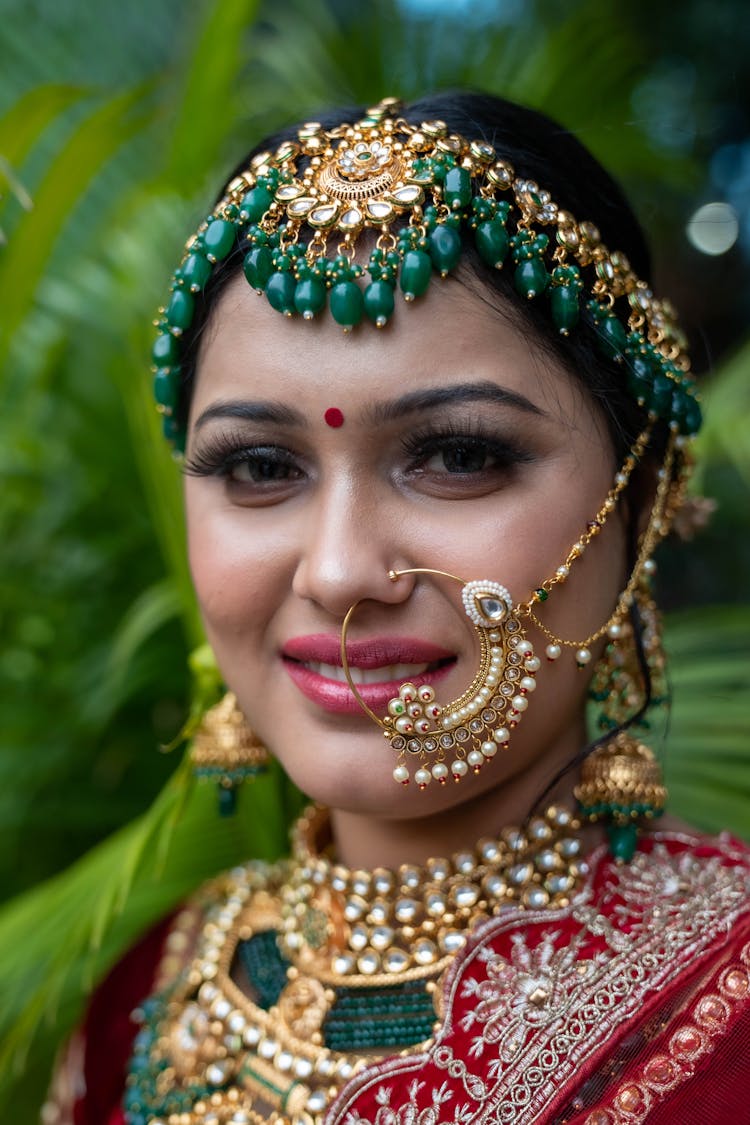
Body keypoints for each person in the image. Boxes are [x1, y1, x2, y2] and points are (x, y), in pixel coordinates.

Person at [45, 93, 749, 1125]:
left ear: (636, 505)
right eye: (260, 465)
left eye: (460, 457)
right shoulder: (144, 1005)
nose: (337, 573)